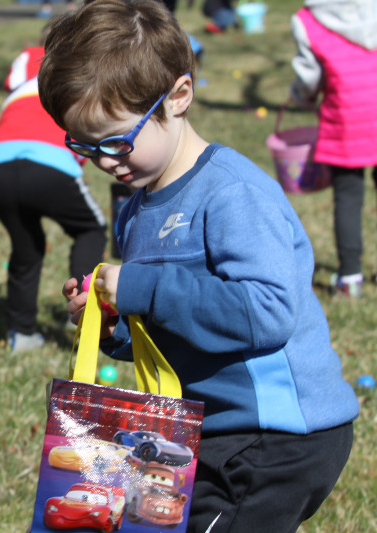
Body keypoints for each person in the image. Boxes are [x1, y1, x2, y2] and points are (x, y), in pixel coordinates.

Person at [38, 1, 359, 531]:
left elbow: (267, 311)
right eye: (86, 146)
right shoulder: (138, 208)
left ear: (179, 96)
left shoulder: (232, 195)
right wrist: (117, 324)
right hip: (208, 430)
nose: (106, 162)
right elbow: (180, 319)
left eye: (117, 141)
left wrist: (142, 286)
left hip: (276, 436)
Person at [0, 33, 106, 352]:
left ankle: (21, 333)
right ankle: (81, 312)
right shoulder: (77, 72)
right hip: (50, 161)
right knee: (90, 228)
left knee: (27, 248)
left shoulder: (25, 67)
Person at [289, 0, 377, 297]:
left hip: (348, 118)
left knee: (349, 196)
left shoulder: (308, 20)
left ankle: (351, 275)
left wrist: (302, 95)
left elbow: (309, 77)